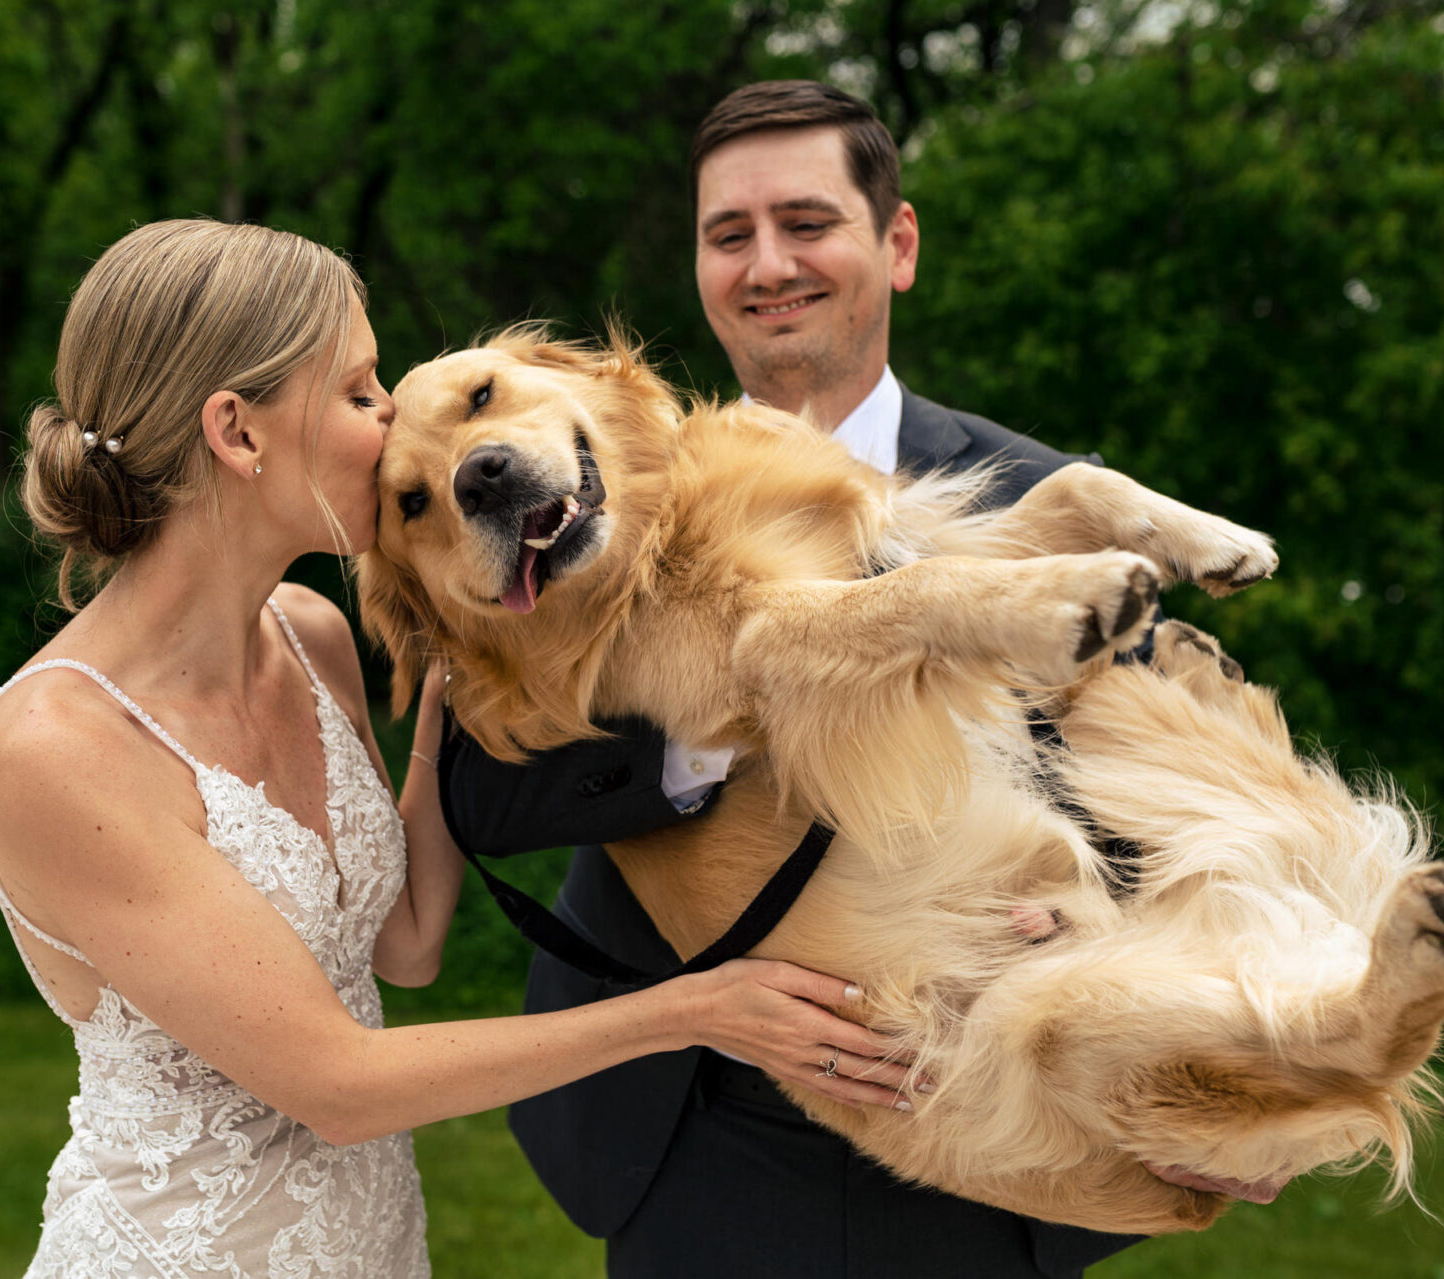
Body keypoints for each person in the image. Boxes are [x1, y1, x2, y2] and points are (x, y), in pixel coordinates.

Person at [0, 218, 924, 1276]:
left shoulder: (309, 632)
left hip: (374, 1245)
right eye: (360, 390)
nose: (393, 420)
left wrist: (450, 678)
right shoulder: (58, 745)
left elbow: (409, 942)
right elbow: (338, 1083)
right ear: (238, 434)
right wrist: (699, 1011)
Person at [440, 82, 1145, 1277]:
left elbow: (1156, 767)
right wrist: (720, 704)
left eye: (806, 222)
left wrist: (1096, 911)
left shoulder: (1039, 494)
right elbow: (486, 797)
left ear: (898, 243)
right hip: (687, 1117)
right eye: (730, 235)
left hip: (989, 1117)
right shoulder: (580, 481)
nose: (768, 264)